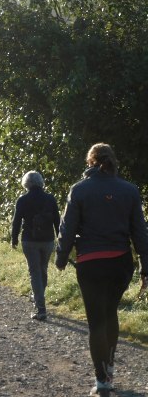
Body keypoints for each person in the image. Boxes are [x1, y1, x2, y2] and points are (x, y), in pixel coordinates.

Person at [55, 143, 148, 396]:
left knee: (96, 320)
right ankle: (110, 366)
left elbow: (67, 227)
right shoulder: (130, 190)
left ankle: (102, 380)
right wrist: (145, 265)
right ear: (112, 162)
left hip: (91, 263)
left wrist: (61, 257)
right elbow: (140, 231)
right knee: (110, 313)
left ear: (90, 162)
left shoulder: (79, 190)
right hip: (120, 263)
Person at [11, 170, 60, 321]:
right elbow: (57, 221)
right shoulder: (50, 199)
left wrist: (14, 238)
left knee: (35, 272)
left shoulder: (23, 200)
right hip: (48, 240)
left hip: (29, 240)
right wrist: (61, 238)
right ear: (41, 182)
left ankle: (41, 308)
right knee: (43, 270)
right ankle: (38, 297)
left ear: (26, 183)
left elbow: (16, 221)